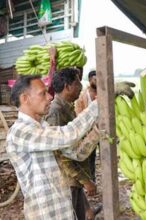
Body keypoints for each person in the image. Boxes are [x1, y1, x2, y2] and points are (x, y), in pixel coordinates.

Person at [7, 72, 134, 219]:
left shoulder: (43, 127)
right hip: (45, 214)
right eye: (43, 94)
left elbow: (75, 152)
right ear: (25, 98)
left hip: (63, 210)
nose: (49, 97)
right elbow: (67, 136)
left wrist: (97, 132)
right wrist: (102, 101)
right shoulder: (20, 132)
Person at [44, 68, 99, 220]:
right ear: (67, 86)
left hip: (73, 181)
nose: (81, 87)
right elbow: (59, 154)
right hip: (66, 181)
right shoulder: (55, 111)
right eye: (77, 83)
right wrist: (85, 180)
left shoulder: (67, 107)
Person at [75, 70, 97, 182]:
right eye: (94, 79)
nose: (97, 81)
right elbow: (79, 113)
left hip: (101, 130)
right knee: (89, 157)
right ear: (89, 80)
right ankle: (91, 180)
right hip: (88, 132)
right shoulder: (83, 96)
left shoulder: (102, 94)